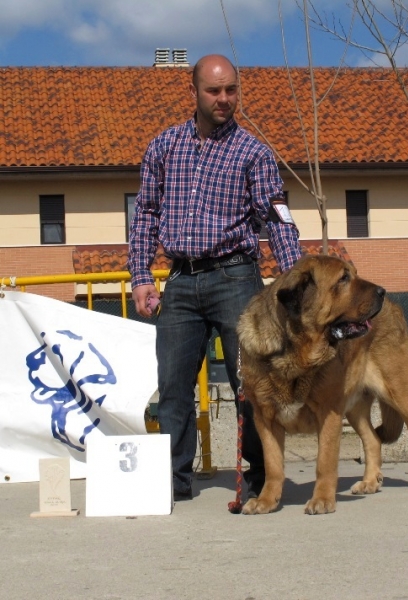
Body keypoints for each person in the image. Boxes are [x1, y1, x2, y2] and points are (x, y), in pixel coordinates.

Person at [128, 54, 301, 501]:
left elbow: (277, 219)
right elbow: (144, 214)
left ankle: (262, 479)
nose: (224, 99)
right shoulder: (163, 147)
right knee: (172, 388)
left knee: (252, 384)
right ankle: (171, 483)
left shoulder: (254, 154)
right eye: (214, 91)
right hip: (180, 281)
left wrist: (295, 276)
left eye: (231, 90)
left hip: (235, 279)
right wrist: (140, 275)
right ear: (194, 92)